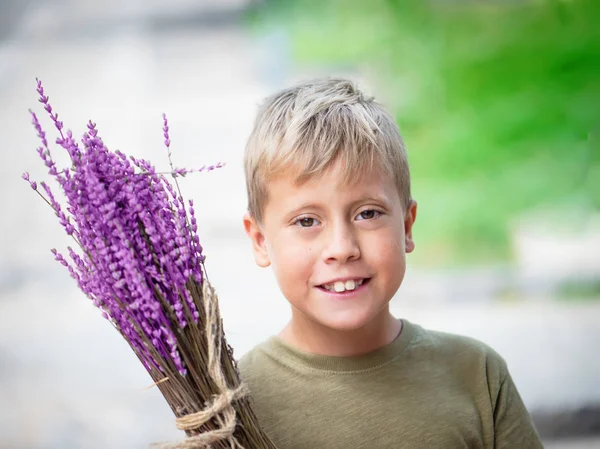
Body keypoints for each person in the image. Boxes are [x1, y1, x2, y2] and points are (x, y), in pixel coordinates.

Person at [239, 77, 543, 448]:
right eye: (307, 221)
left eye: (367, 213)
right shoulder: (234, 401)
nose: (342, 247)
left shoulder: (476, 376)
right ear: (259, 240)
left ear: (407, 225)